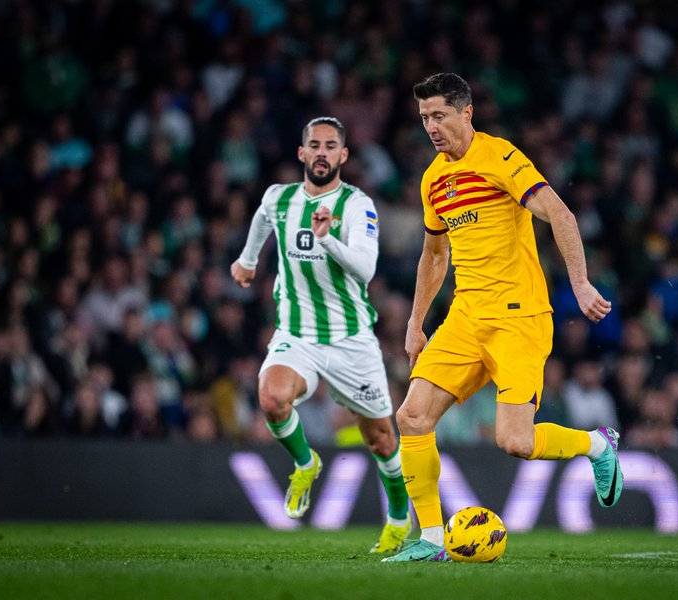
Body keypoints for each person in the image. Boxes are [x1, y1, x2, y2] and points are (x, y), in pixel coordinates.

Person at [384, 74, 622, 563]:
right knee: (411, 417)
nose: (430, 126)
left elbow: (561, 215)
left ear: (466, 113)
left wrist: (579, 283)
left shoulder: (501, 157)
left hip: (519, 318)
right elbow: (433, 257)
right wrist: (415, 323)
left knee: (515, 441)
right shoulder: (434, 178)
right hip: (467, 317)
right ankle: (430, 539)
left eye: (439, 116)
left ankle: (597, 445)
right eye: (424, 117)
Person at [231, 117, 410, 554]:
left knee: (381, 440)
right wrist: (248, 259)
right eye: (315, 145)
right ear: (302, 153)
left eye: (332, 146)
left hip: (351, 338)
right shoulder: (281, 198)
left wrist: (327, 237)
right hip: (298, 333)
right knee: (271, 398)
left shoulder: (357, 205)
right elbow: (261, 218)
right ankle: (305, 462)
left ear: (344, 156)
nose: (323, 152)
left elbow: (366, 269)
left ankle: (400, 519)